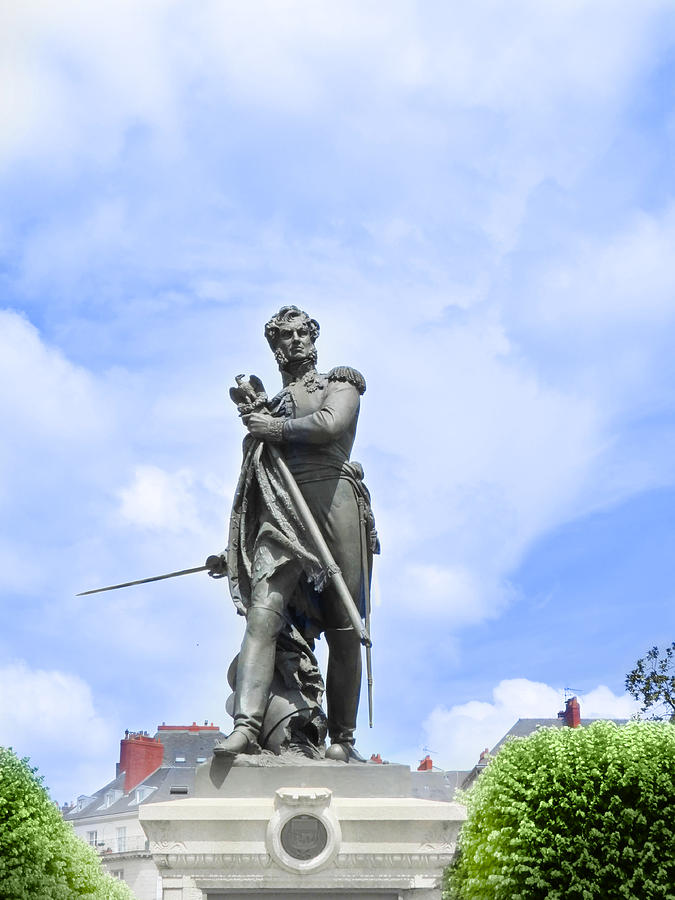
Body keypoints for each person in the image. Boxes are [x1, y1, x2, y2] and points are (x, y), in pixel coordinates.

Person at [213, 305, 379, 762]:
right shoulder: (266, 410)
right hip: (279, 516)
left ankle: (343, 740)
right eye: (286, 337)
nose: (297, 341)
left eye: (304, 333)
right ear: (275, 347)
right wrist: (233, 553)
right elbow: (254, 487)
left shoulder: (339, 384)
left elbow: (330, 424)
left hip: (332, 500)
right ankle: (246, 725)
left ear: (315, 338)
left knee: (345, 627)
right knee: (262, 615)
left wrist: (276, 428)